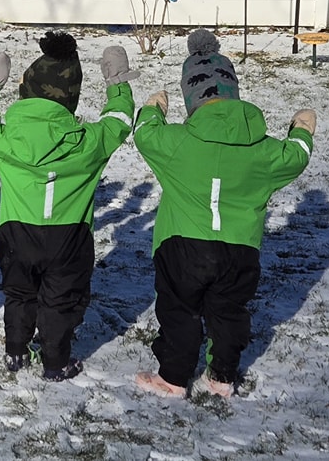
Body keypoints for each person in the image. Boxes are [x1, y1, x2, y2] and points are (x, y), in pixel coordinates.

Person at [132, 29, 315, 398]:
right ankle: (221, 377)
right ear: (233, 91)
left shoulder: (176, 143)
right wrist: (301, 130)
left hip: (180, 246)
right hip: (239, 250)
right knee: (229, 312)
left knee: (179, 310)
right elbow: (295, 156)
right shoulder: (263, 150)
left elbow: (145, 134)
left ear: (191, 96)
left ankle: (172, 377)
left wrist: (153, 107)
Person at [0, 32, 137, 381]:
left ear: (26, 91)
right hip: (69, 237)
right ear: (70, 99)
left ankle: (15, 350)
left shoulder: (6, 139)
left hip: (17, 232)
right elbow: (119, 121)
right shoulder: (90, 143)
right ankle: (55, 362)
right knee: (60, 301)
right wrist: (117, 84)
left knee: (18, 293)